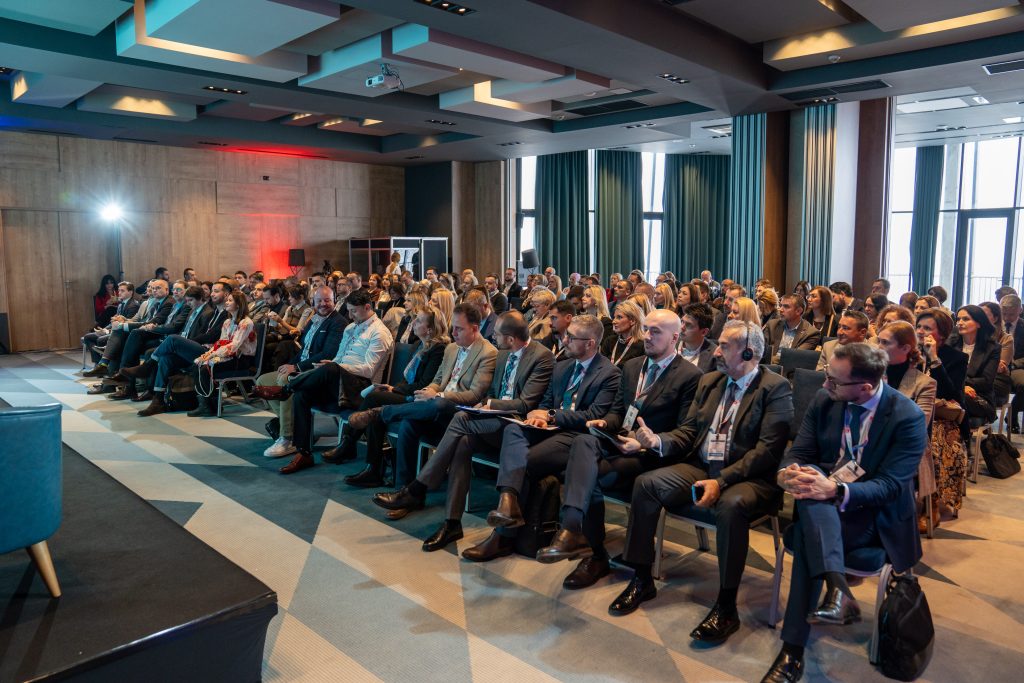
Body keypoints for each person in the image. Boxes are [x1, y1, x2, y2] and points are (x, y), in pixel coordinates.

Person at [612, 321, 792, 642]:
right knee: (647, 484)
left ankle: (726, 605)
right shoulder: (710, 381)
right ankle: (642, 578)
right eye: (718, 344)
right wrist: (657, 441)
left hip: (750, 477)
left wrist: (721, 481)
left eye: (725, 346)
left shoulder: (774, 388)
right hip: (702, 467)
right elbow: (690, 431)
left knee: (731, 505)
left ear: (748, 352)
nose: (716, 352)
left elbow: (767, 451)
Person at [764, 343, 927, 683]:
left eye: (834, 381)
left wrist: (836, 490)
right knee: (810, 486)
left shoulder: (906, 416)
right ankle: (837, 588)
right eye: (827, 376)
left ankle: (792, 652)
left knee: (808, 531)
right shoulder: (826, 399)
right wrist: (786, 474)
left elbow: (891, 487)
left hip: (874, 516)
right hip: (824, 506)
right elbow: (800, 452)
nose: (825, 384)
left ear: (865, 387)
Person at [536, 310, 702, 587]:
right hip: (620, 442)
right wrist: (605, 422)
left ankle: (591, 550)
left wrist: (650, 441)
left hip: (654, 454)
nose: (647, 336)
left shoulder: (689, 375)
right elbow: (617, 413)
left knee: (587, 473)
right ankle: (575, 532)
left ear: (675, 337)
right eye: (646, 329)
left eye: (655, 331)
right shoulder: (632, 366)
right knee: (583, 441)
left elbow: (686, 432)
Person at [371, 311, 555, 544]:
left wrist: (488, 404)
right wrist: (484, 404)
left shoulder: (541, 356)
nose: (492, 337)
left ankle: (416, 489)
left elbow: (525, 403)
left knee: (459, 419)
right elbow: (491, 391)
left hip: (516, 426)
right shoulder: (502, 355)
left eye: (497, 334)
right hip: (492, 420)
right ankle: (452, 523)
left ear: (510, 338)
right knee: (462, 444)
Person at [462, 315, 621, 562]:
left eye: (571, 337)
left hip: (575, 437)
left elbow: (593, 415)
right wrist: (539, 416)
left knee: (523, 460)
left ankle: (502, 536)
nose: (564, 340)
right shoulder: (563, 366)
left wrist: (551, 415)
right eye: (566, 335)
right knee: (513, 429)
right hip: (549, 430)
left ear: (590, 343)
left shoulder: (609, 373)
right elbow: (547, 401)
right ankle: (507, 504)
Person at [346, 304, 497, 488]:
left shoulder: (488, 353)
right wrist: (428, 392)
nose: (454, 333)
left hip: (458, 413)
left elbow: (475, 394)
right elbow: (438, 379)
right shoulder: (452, 348)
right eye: (453, 328)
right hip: (434, 407)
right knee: (409, 424)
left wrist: (437, 394)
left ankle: (380, 413)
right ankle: (404, 488)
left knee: (439, 403)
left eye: (459, 329)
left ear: (474, 328)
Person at [279, 289, 394, 475]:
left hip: (362, 388)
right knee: (302, 394)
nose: (350, 315)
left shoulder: (379, 333)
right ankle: (303, 453)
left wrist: (336, 366)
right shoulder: (350, 327)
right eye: (348, 311)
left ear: (367, 307)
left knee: (332, 368)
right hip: (340, 383)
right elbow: (339, 357)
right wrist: (332, 364)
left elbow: (368, 370)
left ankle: (286, 390)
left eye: (354, 311)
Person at [334, 306, 451, 486]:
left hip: (419, 399)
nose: (413, 322)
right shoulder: (420, 346)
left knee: (374, 398)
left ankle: (350, 444)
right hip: (408, 393)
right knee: (376, 409)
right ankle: (372, 468)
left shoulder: (439, 349)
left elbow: (424, 384)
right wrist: (393, 388)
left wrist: (395, 390)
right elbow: (406, 379)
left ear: (430, 329)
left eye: (419, 320)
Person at [256, 287, 348, 458]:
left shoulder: (338, 322)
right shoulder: (313, 320)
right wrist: (290, 365)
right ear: (313, 302)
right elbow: (304, 350)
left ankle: (288, 438)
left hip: (319, 373)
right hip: (302, 367)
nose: (323, 304)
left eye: (327, 300)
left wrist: (296, 368)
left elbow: (328, 354)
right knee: (263, 381)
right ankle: (289, 425)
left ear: (334, 301)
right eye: (319, 300)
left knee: (285, 381)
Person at [132, 281, 232, 416]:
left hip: (211, 352)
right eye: (212, 291)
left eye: (216, 291)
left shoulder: (224, 314)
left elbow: (211, 336)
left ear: (226, 294)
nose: (212, 294)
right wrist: (185, 343)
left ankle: (147, 366)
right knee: (166, 359)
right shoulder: (215, 312)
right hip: (203, 349)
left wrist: (186, 343)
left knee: (173, 339)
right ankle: (158, 401)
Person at [877, 321, 937, 532]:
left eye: (886, 343)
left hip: (905, 447)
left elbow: (919, 424)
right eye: (878, 341)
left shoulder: (924, 383)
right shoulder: (871, 374)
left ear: (905, 348)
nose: (879, 347)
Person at [916, 308, 968, 518]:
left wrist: (934, 359)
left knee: (934, 442)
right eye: (918, 326)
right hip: (911, 412)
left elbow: (950, 392)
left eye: (927, 328)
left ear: (943, 335)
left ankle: (932, 502)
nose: (920, 331)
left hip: (941, 416)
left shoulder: (956, 358)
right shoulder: (908, 352)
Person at [186, 289, 258, 417]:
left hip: (241, 359)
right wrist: (208, 354)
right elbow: (221, 343)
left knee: (205, 369)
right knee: (196, 365)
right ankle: (207, 404)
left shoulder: (246, 323)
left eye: (230, 300)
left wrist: (213, 355)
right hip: (228, 356)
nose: (226, 302)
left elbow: (234, 346)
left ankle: (210, 405)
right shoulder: (227, 322)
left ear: (238, 304)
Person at [950, 305, 1000, 425]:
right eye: (958, 319)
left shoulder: (992, 348)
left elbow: (986, 381)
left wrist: (961, 385)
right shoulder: (950, 343)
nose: (960, 323)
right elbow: (945, 373)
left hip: (979, 397)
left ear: (979, 323)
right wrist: (962, 387)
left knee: (960, 396)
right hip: (954, 392)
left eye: (966, 319)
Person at [82, 281, 140, 363]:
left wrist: (108, 331)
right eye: (119, 290)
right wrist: (104, 329)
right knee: (87, 337)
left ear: (130, 292)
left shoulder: (133, 305)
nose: (119, 293)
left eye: (122, 291)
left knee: (100, 340)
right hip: (114, 330)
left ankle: (104, 364)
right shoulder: (121, 304)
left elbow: (128, 324)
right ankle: (98, 363)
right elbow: (114, 321)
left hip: (122, 333)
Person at [763, 294, 822, 364]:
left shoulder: (811, 333)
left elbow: (794, 358)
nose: (780, 309)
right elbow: (762, 351)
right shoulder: (772, 325)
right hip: (767, 367)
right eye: (780, 305)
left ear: (798, 311)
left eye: (786, 307)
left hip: (790, 369)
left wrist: (771, 360)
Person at [980, 301, 1014, 413]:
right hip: (975, 379)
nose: (979, 317)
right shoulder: (970, 335)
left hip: (997, 380)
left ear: (995, 318)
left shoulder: (1006, 338)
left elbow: (999, 367)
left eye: (984, 314)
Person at [1001, 294, 1024, 432]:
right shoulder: (993, 326)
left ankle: (1012, 414)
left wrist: (1014, 363)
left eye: (1011, 314)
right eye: (1004, 313)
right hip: (995, 365)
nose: (1007, 318)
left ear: (1020, 310)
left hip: (1017, 367)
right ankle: (985, 417)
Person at [601, 300, 645, 367]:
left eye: (619, 317)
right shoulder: (609, 341)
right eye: (614, 317)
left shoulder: (642, 345)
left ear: (632, 321)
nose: (613, 321)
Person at [678, 303, 718, 373]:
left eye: (688, 325)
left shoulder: (714, 355)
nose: (682, 327)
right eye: (682, 322)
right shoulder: (670, 342)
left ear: (704, 332)